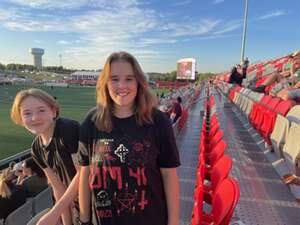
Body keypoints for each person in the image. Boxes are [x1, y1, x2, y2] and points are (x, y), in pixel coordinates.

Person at [37, 51, 180, 225]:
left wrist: (173, 223)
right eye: (114, 79)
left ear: (139, 82)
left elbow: (168, 175)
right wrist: (84, 220)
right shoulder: (92, 121)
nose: (122, 85)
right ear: (105, 82)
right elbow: (85, 174)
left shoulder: (158, 121)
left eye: (129, 78)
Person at [10, 88, 80, 225]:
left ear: (53, 111)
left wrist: (55, 213)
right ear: (21, 118)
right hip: (72, 205)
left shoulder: (68, 130)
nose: (34, 117)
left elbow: (82, 175)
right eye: (27, 113)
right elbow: (57, 188)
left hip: (95, 203)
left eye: (41, 110)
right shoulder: (36, 148)